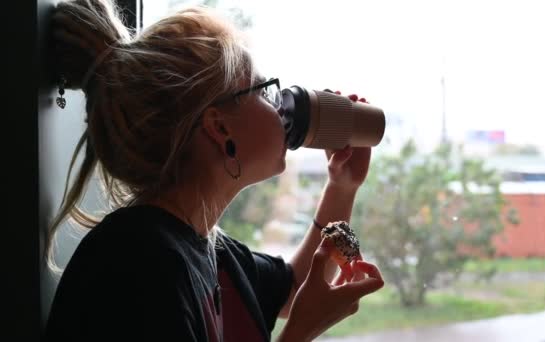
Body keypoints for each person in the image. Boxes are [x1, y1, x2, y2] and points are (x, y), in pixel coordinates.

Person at [43, 1, 384, 341]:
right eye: (263, 89)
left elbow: (296, 287)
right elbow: (299, 308)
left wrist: (343, 185)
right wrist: (300, 332)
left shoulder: (209, 250)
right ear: (219, 128)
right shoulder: (137, 265)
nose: (279, 102)